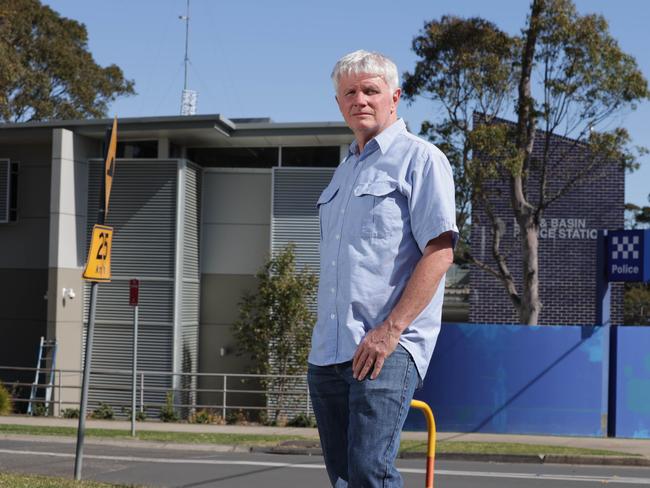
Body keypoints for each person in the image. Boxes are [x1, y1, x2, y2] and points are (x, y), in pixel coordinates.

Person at [307, 50, 458, 487]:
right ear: (339, 104)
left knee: (371, 471)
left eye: (370, 90)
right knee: (344, 477)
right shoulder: (342, 174)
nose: (360, 100)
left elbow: (440, 252)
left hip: (386, 345)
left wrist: (390, 331)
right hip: (329, 352)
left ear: (395, 97)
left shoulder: (421, 159)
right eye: (349, 93)